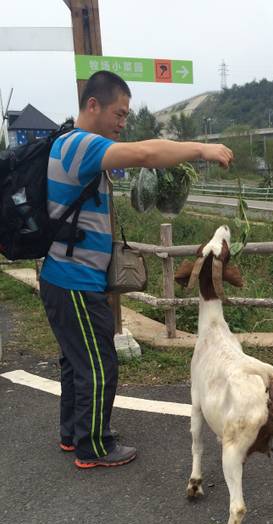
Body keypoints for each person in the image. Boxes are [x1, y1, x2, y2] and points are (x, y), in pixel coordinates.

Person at [39, 71, 233, 469]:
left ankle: (72, 434)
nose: (123, 123)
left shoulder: (71, 145)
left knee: (76, 361)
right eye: (119, 113)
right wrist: (202, 149)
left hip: (65, 278)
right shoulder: (80, 144)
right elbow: (145, 153)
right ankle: (93, 446)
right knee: (98, 363)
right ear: (92, 105)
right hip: (73, 280)